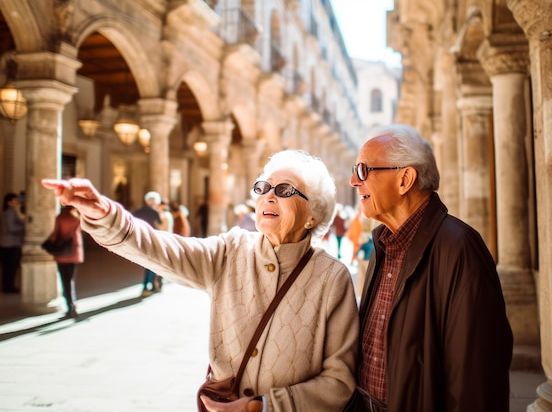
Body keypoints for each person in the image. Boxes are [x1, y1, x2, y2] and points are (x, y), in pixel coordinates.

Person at [42, 149, 359, 412]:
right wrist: (105, 213)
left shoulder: (332, 278)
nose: (269, 197)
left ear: (313, 214)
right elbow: (161, 248)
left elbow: (339, 382)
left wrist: (263, 407)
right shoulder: (231, 250)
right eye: (263, 188)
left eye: (285, 190)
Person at [346, 124, 513, 412]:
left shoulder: (460, 248)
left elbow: (476, 382)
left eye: (363, 170)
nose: (353, 181)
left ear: (405, 179)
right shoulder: (384, 244)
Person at [47, 205, 84, 318]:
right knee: (71, 279)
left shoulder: (60, 218)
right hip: (73, 251)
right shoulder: (77, 219)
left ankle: (69, 304)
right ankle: (72, 304)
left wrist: (50, 245)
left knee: (64, 280)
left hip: (62, 252)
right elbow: (82, 229)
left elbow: (55, 234)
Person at [132, 191, 163, 296]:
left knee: (147, 264)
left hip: (140, 239)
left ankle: (148, 285)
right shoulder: (154, 212)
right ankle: (147, 286)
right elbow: (159, 226)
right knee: (151, 264)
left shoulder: (138, 211)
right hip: (151, 239)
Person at [0, 192, 25, 293]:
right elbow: (11, 228)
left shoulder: (7, 212)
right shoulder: (9, 213)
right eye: (15, 200)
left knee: (8, 268)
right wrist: (24, 228)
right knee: (10, 268)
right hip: (11, 244)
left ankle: (8, 286)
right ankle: (8, 287)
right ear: (9, 202)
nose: (18, 202)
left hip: (8, 243)